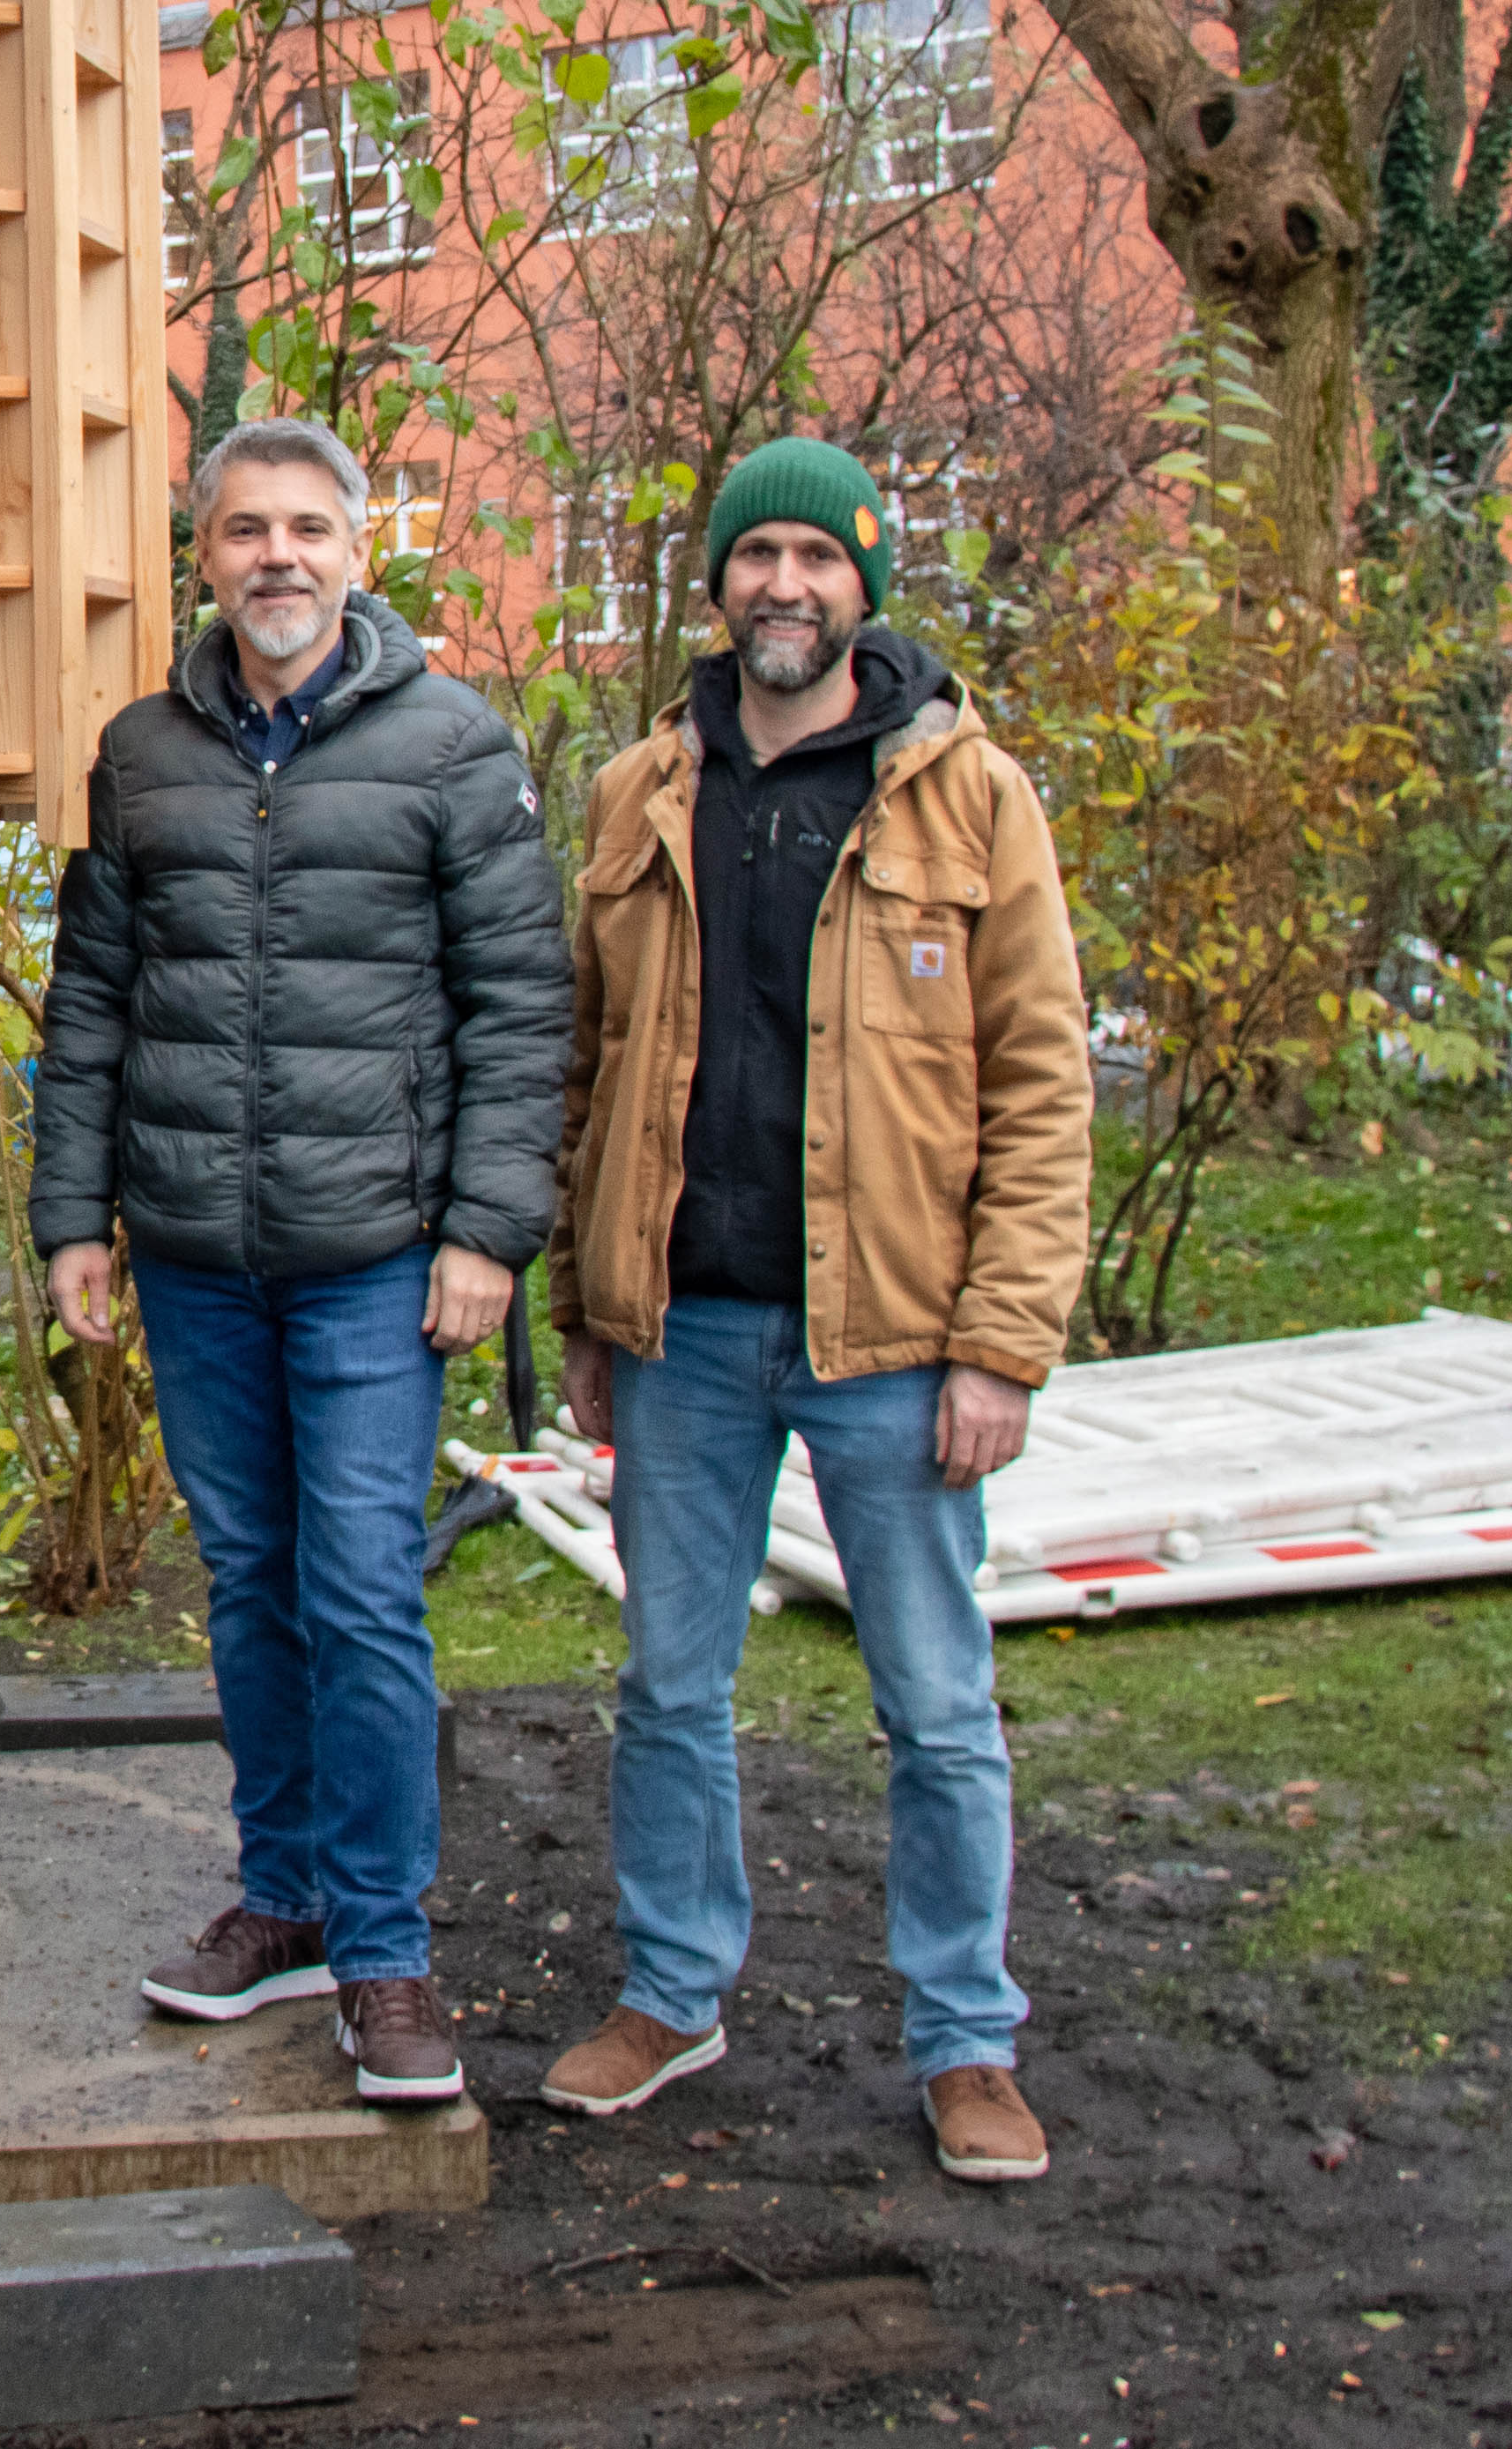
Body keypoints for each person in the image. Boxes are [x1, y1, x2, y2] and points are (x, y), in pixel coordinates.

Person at [537, 438, 1090, 2185]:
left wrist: (1001, 1342)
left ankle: (966, 2038)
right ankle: (670, 1991)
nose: (784, 583)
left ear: (865, 584)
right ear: (716, 582)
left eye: (817, 555)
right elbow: (583, 1067)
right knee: (665, 1683)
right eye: (754, 553)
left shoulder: (968, 794)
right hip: (684, 1331)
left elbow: (1041, 1082)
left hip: (898, 1339)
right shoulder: (639, 790)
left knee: (935, 1703)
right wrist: (584, 1304)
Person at [30, 414, 571, 2108]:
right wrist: (72, 1216)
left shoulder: (453, 746)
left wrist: (487, 1229)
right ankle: (286, 1902)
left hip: (374, 1260)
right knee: (254, 1585)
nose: (278, 556)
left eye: (308, 528)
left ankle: (386, 1952)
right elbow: (92, 1005)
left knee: (361, 1593)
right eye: (246, 528)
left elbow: (520, 1006)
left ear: (357, 548)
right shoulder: (143, 755)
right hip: (198, 1255)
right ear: (203, 555)